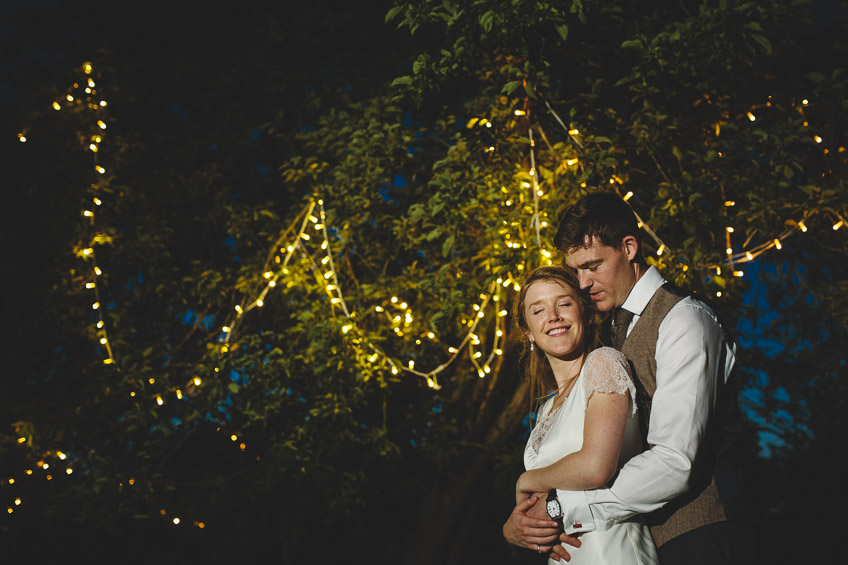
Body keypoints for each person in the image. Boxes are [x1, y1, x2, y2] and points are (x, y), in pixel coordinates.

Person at [537, 192, 752, 564]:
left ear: (630, 247)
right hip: (644, 543)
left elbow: (675, 461)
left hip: (703, 535)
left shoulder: (684, 319)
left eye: (593, 265)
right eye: (576, 271)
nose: (583, 283)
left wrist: (565, 509)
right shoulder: (610, 333)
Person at [504, 265, 659, 564]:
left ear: (585, 314)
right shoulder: (546, 407)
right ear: (528, 332)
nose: (553, 316)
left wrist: (526, 480)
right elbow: (540, 505)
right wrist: (515, 529)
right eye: (538, 311)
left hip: (612, 551)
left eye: (563, 303)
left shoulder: (603, 363)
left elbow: (595, 466)